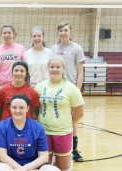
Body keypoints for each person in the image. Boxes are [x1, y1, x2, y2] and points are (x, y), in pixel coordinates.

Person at [0, 94, 64, 171]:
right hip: (11, 167)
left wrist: (25, 169)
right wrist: (22, 170)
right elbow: (2, 156)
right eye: (14, 107)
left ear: (27, 109)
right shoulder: (2, 126)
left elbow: (44, 157)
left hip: (33, 168)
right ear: (10, 108)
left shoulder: (37, 127)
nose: (17, 111)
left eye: (21, 108)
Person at [35, 56, 85, 171]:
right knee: (44, 168)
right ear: (48, 69)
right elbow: (35, 109)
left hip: (63, 132)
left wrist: (69, 123)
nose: (55, 69)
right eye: (52, 67)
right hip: (44, 132)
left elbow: (79, 112)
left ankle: (64, 159)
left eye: (58, 67)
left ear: (63, 69)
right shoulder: (40, 87)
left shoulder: (71, 88)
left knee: (65, 170)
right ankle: (51, 160)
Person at [50, 21, 86, 162]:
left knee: (73, 119)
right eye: (61, 31)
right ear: (58, 33)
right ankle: (54, 148)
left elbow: (80, 72)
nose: (63, 33)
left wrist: (77, 90)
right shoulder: (53, 49)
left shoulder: (76, 48)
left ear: (71, 32)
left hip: (70, 87)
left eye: (66, 30)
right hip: (56, 88)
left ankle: (74, 150)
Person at [0, 24, 25, 88]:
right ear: (1, 35)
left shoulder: (21, 48)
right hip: (0, 84)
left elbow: (24, 67)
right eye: (4, 33)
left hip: (16, 84)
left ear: (14, 34)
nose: (7, 35)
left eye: (9, 33)